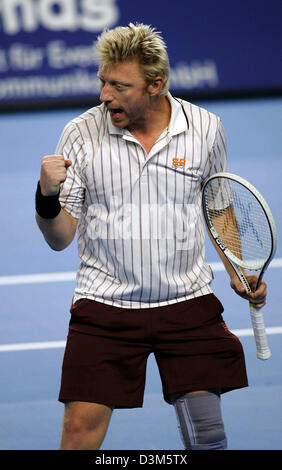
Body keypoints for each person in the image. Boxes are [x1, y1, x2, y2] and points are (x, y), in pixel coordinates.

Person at [35, 23, 267, 450]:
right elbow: (59, 237)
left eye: (119, 86)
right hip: (106, 304)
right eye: (102, 81)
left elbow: (217, 204)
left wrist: (238, 269)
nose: (105, 94)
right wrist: (47, 196)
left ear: (156, 85)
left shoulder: (205, 128)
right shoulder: (80, 134)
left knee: (208, 436)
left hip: (186, 301)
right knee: (77, 434)